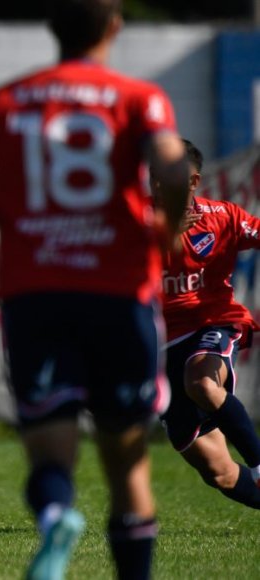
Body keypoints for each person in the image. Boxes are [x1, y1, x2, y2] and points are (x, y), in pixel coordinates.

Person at [0, 1, 189, 578]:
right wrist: (167, 227)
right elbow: (171, 169)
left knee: (50, 449)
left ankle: (54, 517)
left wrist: (7, 217)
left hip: (36, 293)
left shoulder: (8, 99)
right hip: (118, 292)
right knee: (127, 464)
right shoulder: (140, 97)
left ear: (52, 28)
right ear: (114, 28)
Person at [155, 139, 260, 508]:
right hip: (159, 344)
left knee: (200, 380)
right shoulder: (134, 226)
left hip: (212, 323)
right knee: (219, 472)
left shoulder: (223, 217)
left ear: (193, 181)